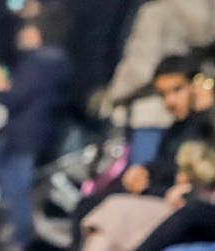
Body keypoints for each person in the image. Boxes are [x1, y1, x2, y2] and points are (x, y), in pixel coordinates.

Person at [107, 0, 215, 165]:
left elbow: (141, 68)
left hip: (147, 110)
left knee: (135, 184)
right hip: (188, 113)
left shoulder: (157, 12)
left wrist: (114, 96)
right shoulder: (209, 4)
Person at [73, 56, 215, 249]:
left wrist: (208, 110)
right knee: (89, 206)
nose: (170, 101)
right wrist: (143, 172)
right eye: (163, 94)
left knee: (115, 215)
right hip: (166, 196)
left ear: (194, 86)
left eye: (177, 90)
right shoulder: (177, 129)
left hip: (194, 200)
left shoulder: (206, 124)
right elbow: (164, 167)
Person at [0, 10, 73, 250]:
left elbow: (16, 96)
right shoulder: (60, 62)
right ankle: (15, 232)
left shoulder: (38, 62)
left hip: (25, 132)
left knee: (18, 189)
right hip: (41, 132)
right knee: (15, 180)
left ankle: (20, 238)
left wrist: (0, 89)